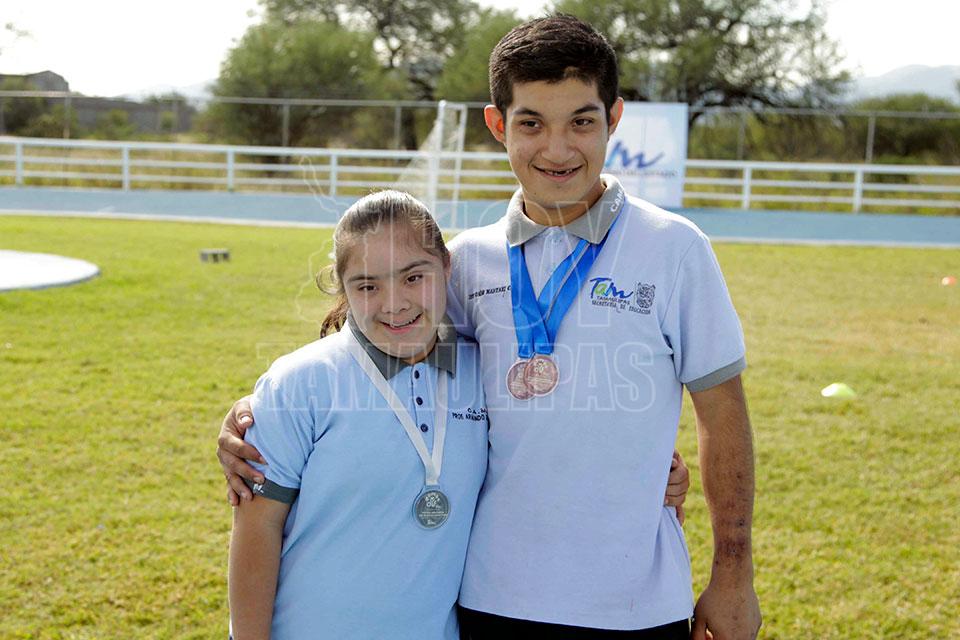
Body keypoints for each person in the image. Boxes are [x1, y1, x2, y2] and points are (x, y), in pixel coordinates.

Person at [222, 14, 757, 640]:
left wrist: (733, 575)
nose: (557, 149)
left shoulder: (675, 249)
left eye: (581, 122)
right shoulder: (468, 260)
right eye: (531, 123)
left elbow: (723, 416)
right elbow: (385, 344)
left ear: (614, 118)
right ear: (498, 125)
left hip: (636, 605)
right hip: (491, 601)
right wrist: (258, 413)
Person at [228, 190, 489, 639]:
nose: (394, 304)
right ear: (343, 287)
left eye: (414, 277)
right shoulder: (299, 382)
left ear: (446, 266)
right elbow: (257, 531)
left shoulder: (484, 371)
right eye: (368, 286)